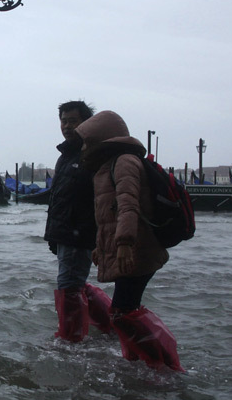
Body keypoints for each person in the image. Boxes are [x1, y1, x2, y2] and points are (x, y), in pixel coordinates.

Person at [75, 110, 184, 371]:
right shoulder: (108, 166)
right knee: (126, 309)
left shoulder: (123, 162)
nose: (84, 146)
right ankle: (140, 361)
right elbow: (107, 216)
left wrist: (124, 244)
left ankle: (162, 366)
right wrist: (101, 248)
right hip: (132, 248)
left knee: (122, 312)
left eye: (88, 139)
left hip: (137, 249)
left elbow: (128, 206)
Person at [43, 101, 113, 342]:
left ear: (87, 123)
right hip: (64, 234)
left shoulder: (92, 155)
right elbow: (59, 199)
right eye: (64, 121)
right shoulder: (66, 156)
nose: (67, 126)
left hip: (80, 234)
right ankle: (110, 326)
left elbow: (103, 199)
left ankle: (70, 340)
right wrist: (53, 235)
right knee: (75, 284)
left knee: (69, 287)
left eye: (73, 120)